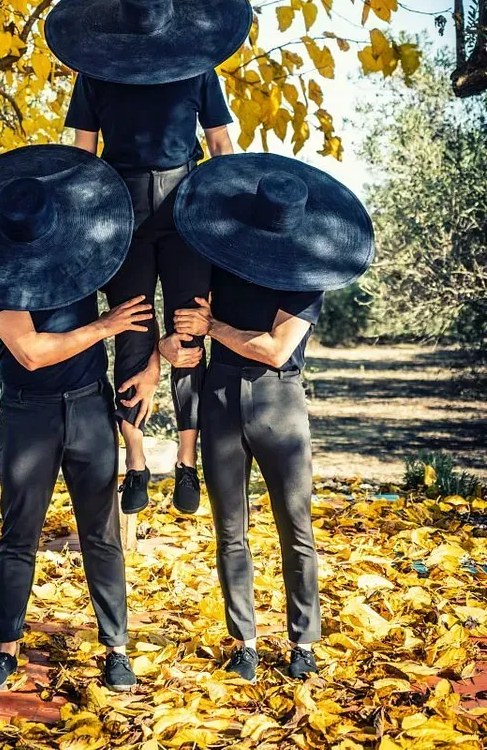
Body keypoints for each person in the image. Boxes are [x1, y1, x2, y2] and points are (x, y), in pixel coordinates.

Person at [0, 144, 149, 693]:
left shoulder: (83, 249)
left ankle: (116, 652)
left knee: (102, 536)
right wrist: (104, 327)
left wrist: (150, 367)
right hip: (29, 417)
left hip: (92, 410)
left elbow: (137, 307)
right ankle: (5, 651)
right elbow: (31, 353)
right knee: (18, 537)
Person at [44, 0, 253, 515]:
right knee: (132, 331)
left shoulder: (199, 68)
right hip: (123, 217)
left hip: (187, 215)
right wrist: (81, 224)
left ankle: (187, 463)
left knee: (189, 328)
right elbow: (85, 155)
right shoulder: (94, 73)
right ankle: (135, 463)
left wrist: (231, 216)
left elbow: (220, 144)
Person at [171, 153, 375, 682]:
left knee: (296, 528)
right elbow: (185, 327)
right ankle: (245, 643)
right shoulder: (221, 252)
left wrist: (212, 327)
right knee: (229, 532)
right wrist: (173, 344)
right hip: (218, 397)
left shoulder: (308, 272)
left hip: (279, 402)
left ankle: (303, 642)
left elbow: (277, 350)